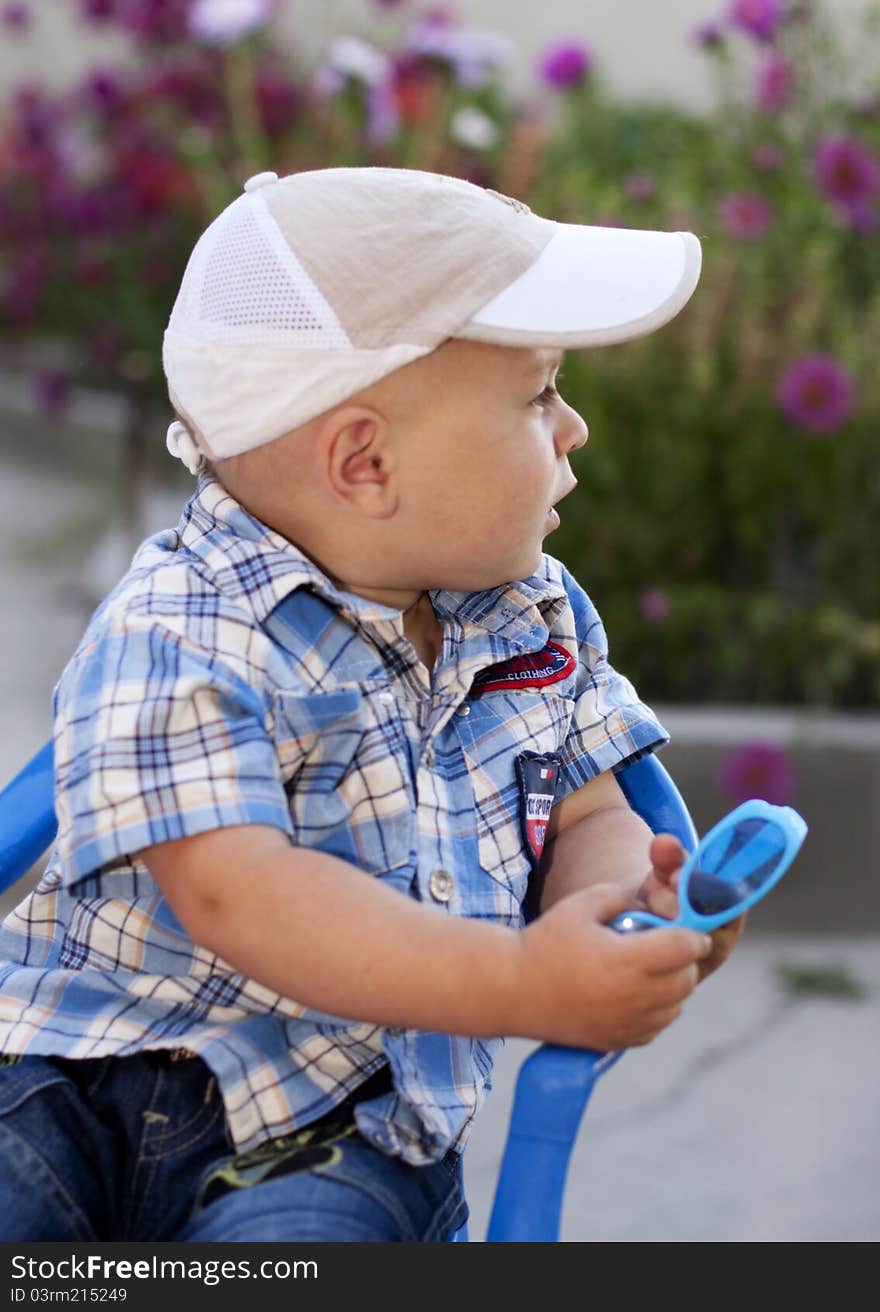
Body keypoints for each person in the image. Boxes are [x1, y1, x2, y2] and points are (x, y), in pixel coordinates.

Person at [0, 166, 743, 1242]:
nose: (574, 426)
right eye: (538, 394)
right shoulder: (177, 627)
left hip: (346, 1124)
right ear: (365, 460)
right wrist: (523, 981)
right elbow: (238, 895)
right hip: (72, 1072)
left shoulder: (532, 617)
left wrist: (622, 918)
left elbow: (587, 811)